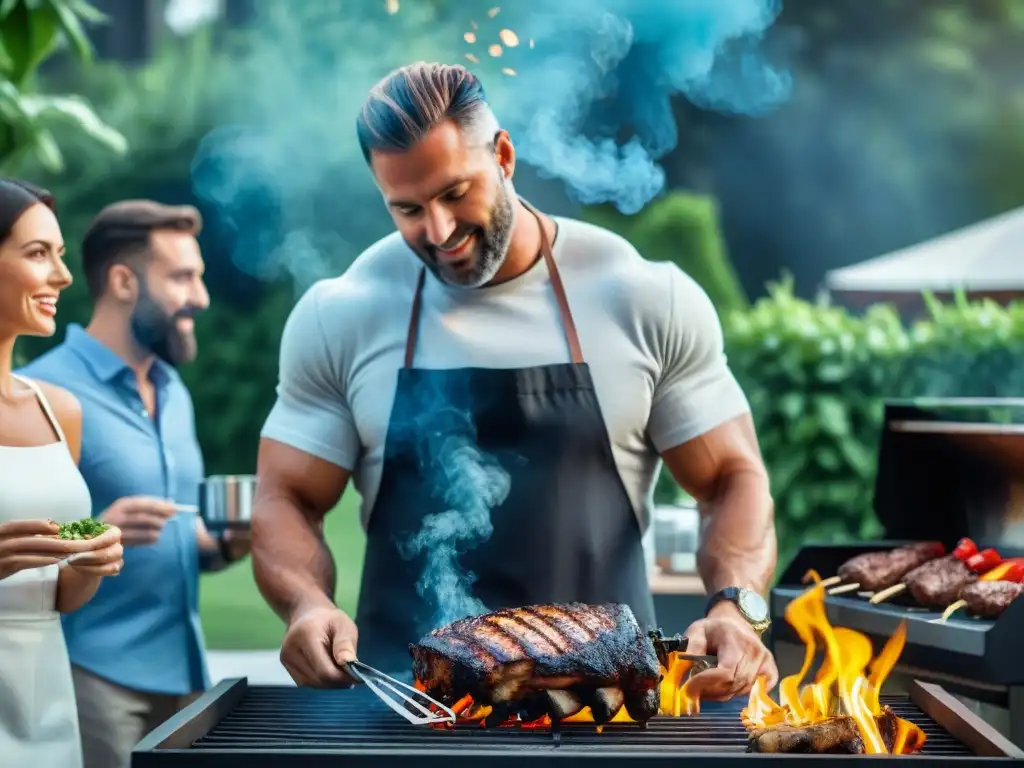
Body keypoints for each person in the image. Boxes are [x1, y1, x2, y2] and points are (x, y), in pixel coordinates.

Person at [251, 62, 778, 702]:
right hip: (405, 714)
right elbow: (286, 496)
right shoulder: (343, 313)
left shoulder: (641, 297)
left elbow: (732, 477)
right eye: (408, 208)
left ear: (503, 154)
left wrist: (735, 606)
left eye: (454, 193)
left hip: (606, 715)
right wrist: (305, 603)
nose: (439, 231)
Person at [19, 199, 250, 768]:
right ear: (124, 281)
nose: (201, 296)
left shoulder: (174, 392)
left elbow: (177, 536)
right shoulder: (39, 393)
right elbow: (16, 537)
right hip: (95, 679)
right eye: (182, 277)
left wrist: (229, 542)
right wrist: (97, 529)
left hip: (189, 678)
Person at [0, 178, 124, 767]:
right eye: (37, 253)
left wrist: (90, 562)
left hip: (46, 700)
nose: (64, 276)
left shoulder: (59, 411)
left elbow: (59, 596)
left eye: (62, 255)